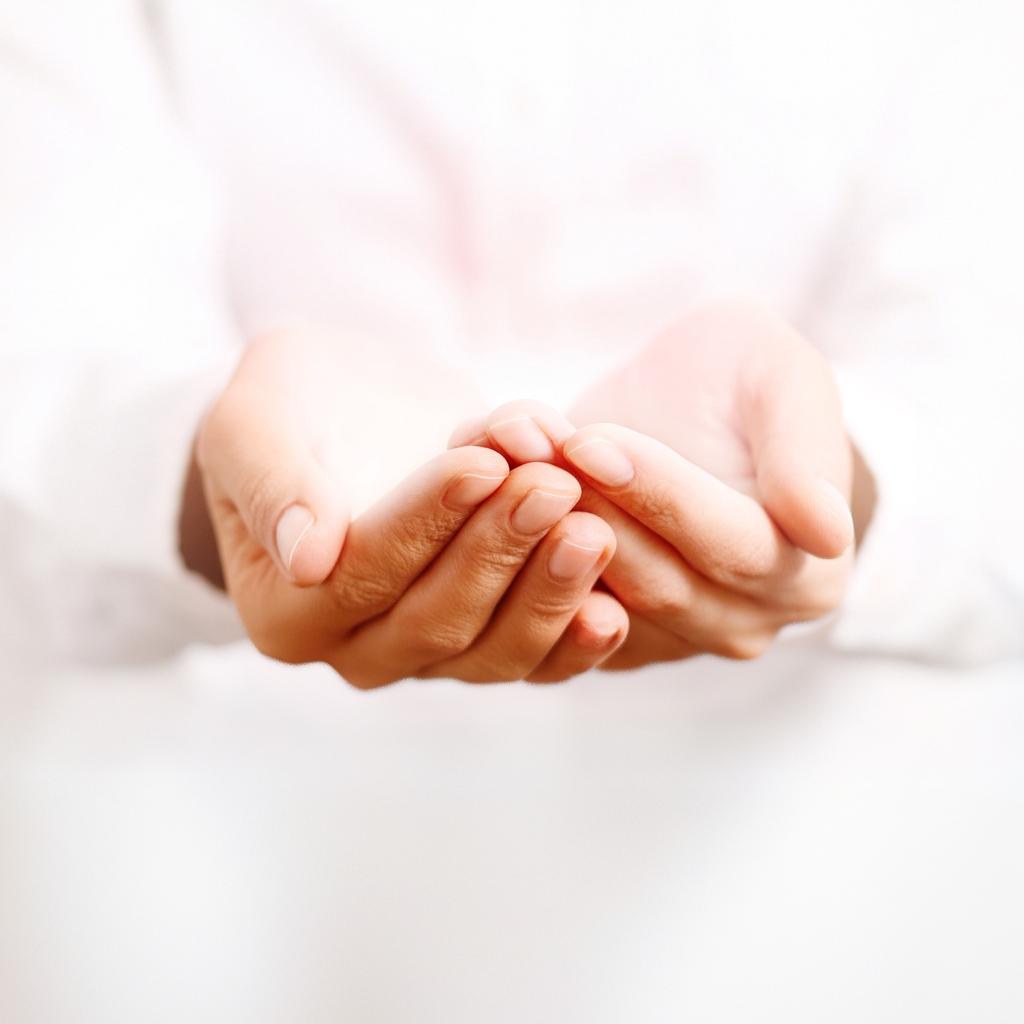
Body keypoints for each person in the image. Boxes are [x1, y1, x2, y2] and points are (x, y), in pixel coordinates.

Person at [1, 0, 1021, 678]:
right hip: (206, 861)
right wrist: (222, 491)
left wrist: (832, 479)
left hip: (832, 872)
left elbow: (991, 426)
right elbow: (39, 376)